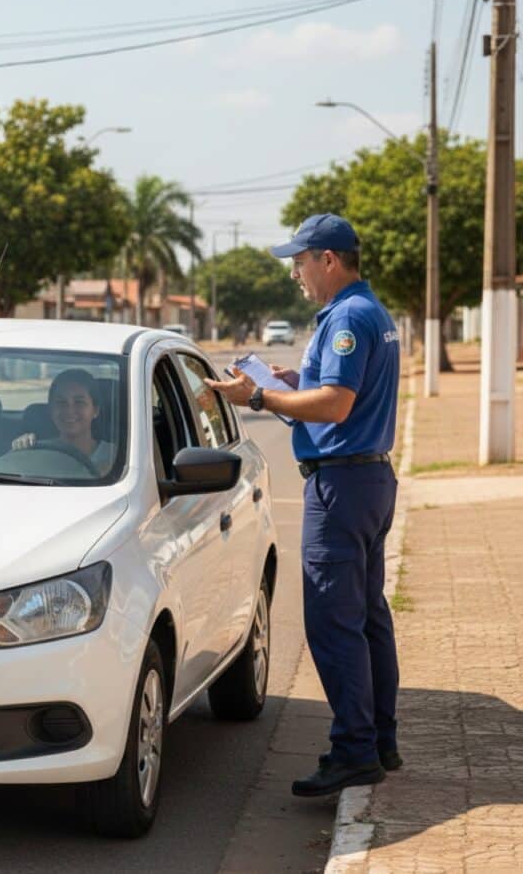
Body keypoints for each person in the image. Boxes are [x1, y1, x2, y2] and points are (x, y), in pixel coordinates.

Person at [205, 213, 401, 798]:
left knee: (333, 623)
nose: (296, 274)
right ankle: (378, 740)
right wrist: (296, 377)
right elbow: (339, 388)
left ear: (329, 261)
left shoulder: (346, 318)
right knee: (367, 618)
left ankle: (354, 752)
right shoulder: (368, 312)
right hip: (365, 482)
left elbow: (337, 405)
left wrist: (259, 395)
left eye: (300, 261)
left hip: (341, 487)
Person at [12, 368, 114, 475]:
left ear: (95, 411)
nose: (69, 410)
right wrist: (21, 451)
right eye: (61, 402)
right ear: (51, 410)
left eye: (79, 402)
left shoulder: (117, 458)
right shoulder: (37, 450)